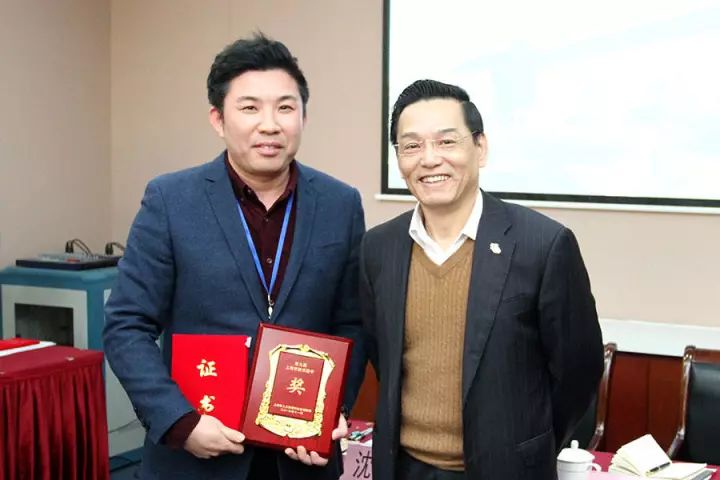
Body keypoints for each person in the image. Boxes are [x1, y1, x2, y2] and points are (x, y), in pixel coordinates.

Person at [103, 33, 366, 480]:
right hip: (195, 456)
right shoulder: (171, 199)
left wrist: (331, 410)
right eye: (250, 108)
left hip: (300, 460)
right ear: (218, 119)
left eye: (285, 108)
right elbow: (127, 324)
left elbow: (353, 322)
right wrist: (179, 421)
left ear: (303, 116)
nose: (270, 124)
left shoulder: (341, 203)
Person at [359, 79, 604, 480]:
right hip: (404, 468)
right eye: (412, 146)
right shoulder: (378, 248)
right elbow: (380, 355)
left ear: (480, 147)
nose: (430, 159)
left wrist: (527, 442)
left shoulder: (542, 245)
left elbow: (578, 370)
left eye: (446, 142)